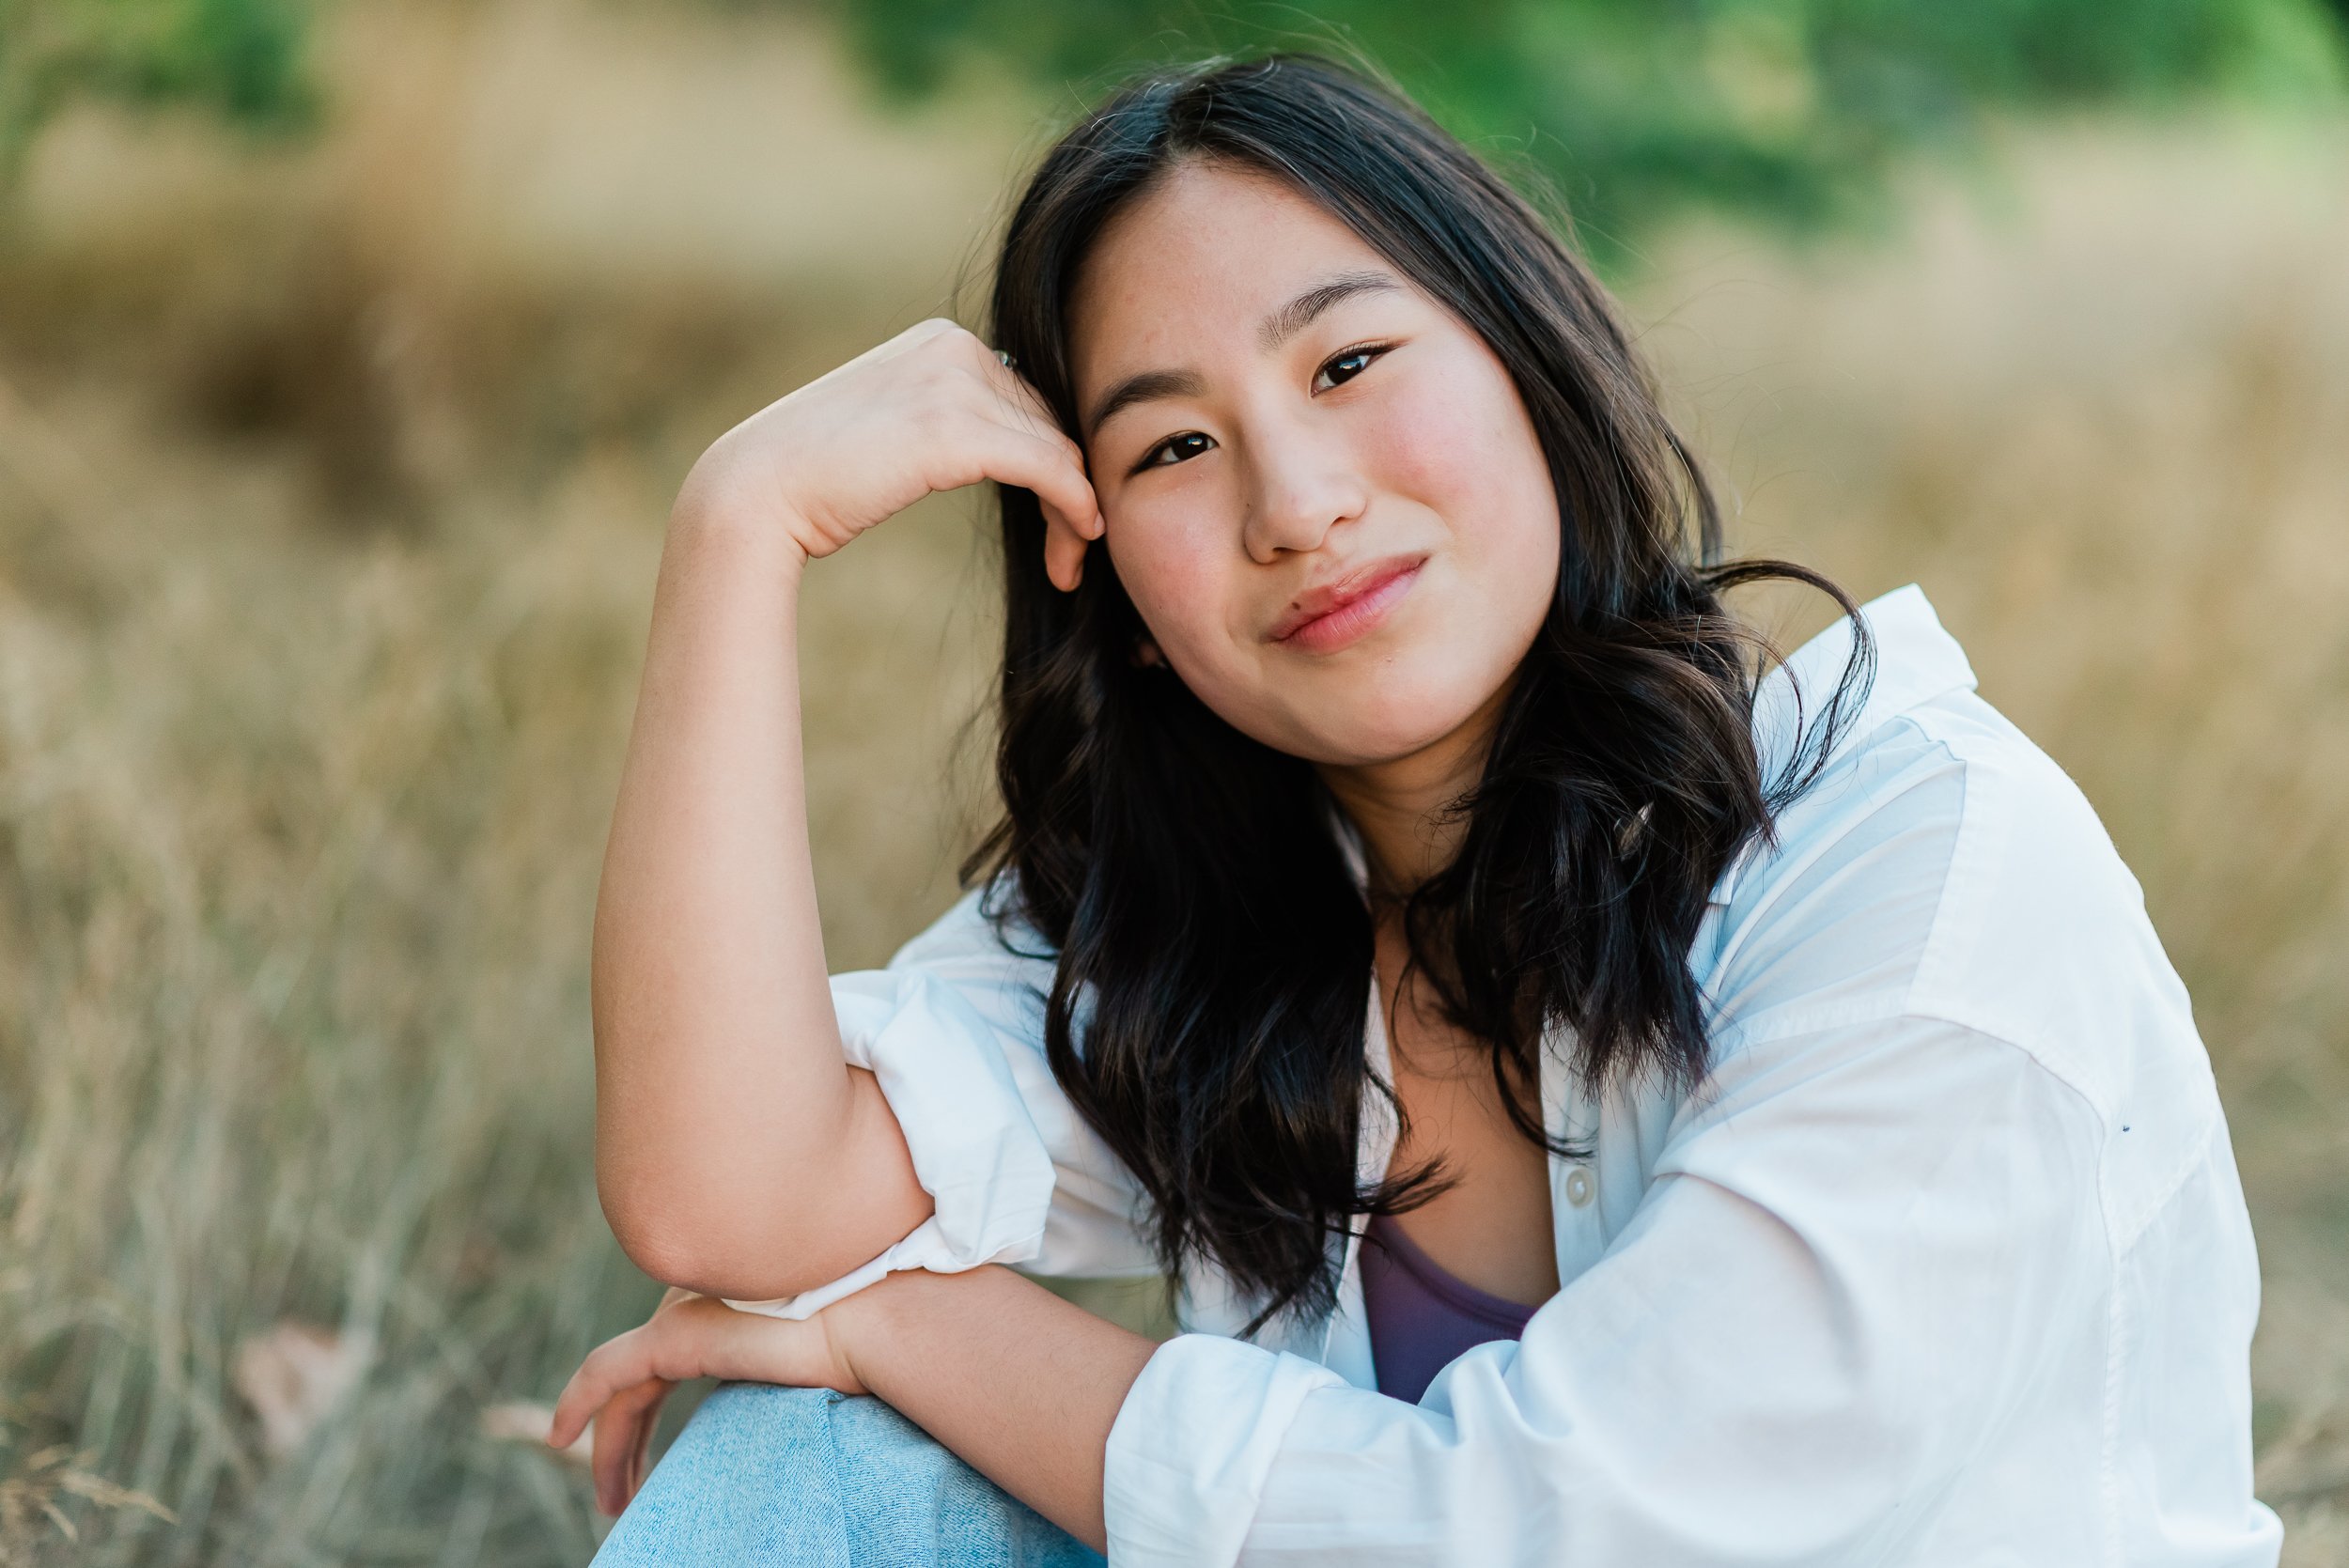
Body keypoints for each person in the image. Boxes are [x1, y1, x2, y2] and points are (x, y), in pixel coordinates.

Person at [546, 51, 2281, 1568]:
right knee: (809, 1470)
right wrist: (739, 527)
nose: (1295, 504)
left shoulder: (1920, 861)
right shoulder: (1223, 913)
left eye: (1347, 363)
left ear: (1531, 357)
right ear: (1110, 584)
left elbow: (1565, 1541)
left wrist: (903, 1321)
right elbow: (734, 1204)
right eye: (1169, 449)